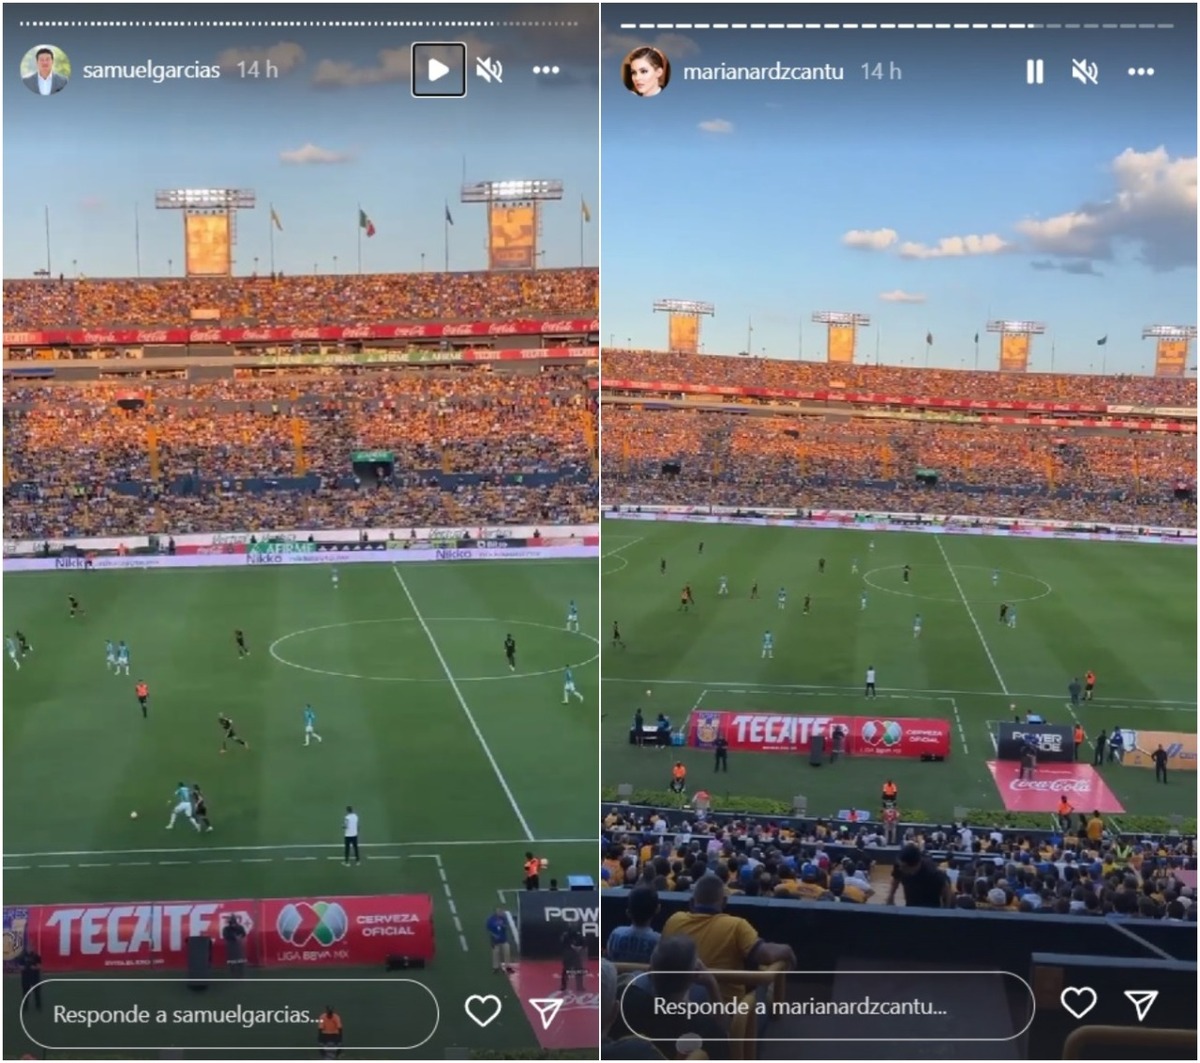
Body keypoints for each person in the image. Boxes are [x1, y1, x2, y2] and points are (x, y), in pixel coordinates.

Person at [605, 886, 660, 964]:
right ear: (657, 909)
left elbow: (608, 959)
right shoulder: (659, 941)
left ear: (628, 912)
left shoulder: (616, 934)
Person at [887, 843, 951, 908]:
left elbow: (946, 889)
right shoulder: (900, 864)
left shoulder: (932, 873)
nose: (900, 869)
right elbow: (896, 878)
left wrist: (946, 910)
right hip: (910, 904)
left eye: (904, 867)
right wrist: (891, 895)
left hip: (931, 907)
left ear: (916, 865)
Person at [486, 907, 513, 973]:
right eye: (499, 911)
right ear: (496, 912)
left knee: (507, 952)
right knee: (496, 953)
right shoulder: (491, 919)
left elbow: (506, 926)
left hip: (503, 938)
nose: (500, 913)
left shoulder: (503, 918)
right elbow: (488, 929)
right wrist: (494, 935)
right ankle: (496, 968)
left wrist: (503, 925)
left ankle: (508, 967)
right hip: (495, 940)